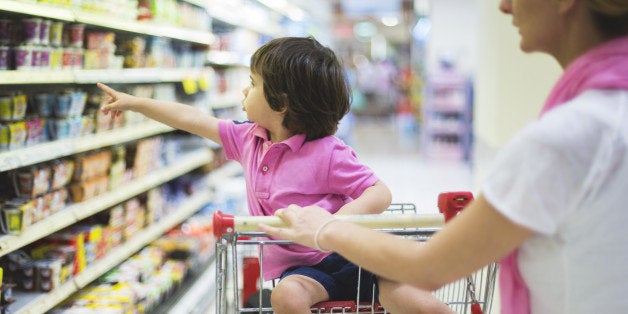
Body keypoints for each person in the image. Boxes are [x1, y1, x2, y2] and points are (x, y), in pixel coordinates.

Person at [260, 1, 628, 313]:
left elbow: (429, 266)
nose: (503, 5)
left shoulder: (566, 136)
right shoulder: (609, 115)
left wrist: (325, 228)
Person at [98, 37, 452, 313]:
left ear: (281, 102)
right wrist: (137, 103)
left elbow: (379, 192)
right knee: (286, 299)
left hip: (356, 252)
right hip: (304, 270)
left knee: (416, 304)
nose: (243, 90)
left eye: (252, 83)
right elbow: (191, 118)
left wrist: (331, 228)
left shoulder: (327, 152)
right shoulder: (245, 139)